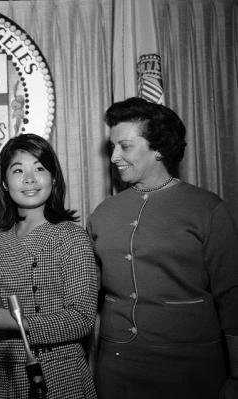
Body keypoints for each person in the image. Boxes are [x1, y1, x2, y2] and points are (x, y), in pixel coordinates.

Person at [87, 97, 238, 399]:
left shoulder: (207, 209)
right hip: (117, 368)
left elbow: (232, 296)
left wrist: (236, 375)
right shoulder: (103, 213)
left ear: (157, 148)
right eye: (112, 147)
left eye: (125, 146)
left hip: (191, 368)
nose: (114, 156)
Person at [0, 133, 98, 399]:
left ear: (54, 178)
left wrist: (18, 323)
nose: (29, 178)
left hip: (57, 372)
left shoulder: (71, 236)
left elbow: (82, 319)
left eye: (40, 168)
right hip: (3, 371)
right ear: (5, 184)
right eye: (18, 170)